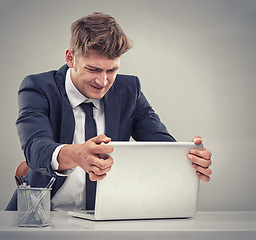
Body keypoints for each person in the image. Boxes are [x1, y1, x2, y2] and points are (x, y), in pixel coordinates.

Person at [6, 12, 212, 211]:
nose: (103, 82)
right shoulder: (38, 87)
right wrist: (77, 155)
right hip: (43, 216)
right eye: (93, 69)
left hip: (106, 217)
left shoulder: (129, 90)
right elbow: (35, 148)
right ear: (70, 58)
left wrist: (189, 159)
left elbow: (159, 143)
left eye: (111, 70)